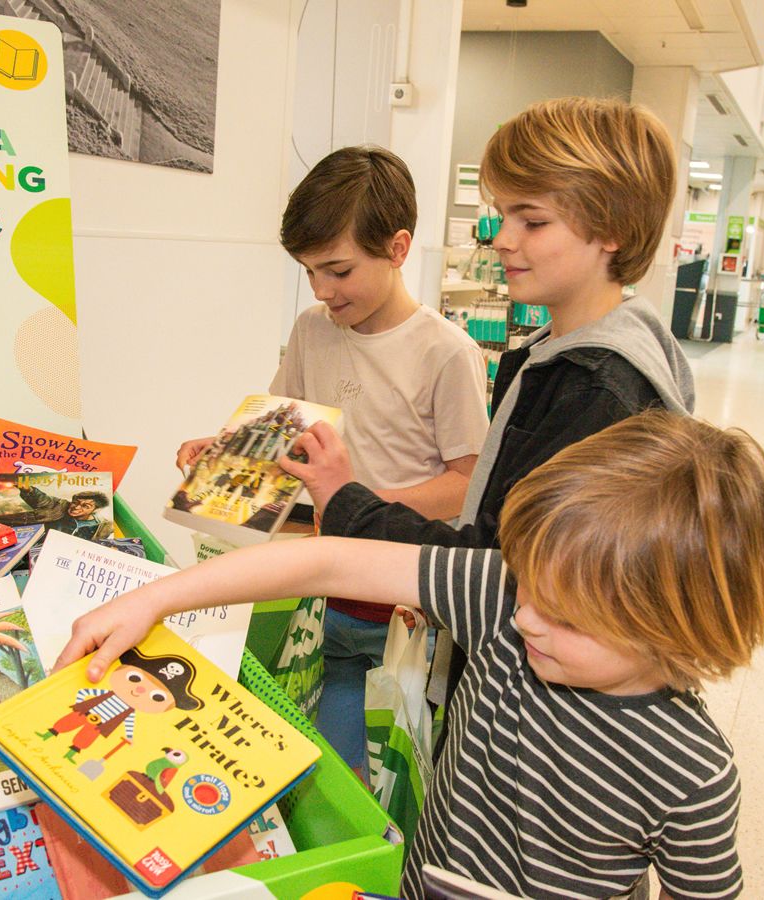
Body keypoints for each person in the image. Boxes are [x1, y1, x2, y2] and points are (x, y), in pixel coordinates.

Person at [57, 411, 764, 900]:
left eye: (562, 616)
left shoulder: (692, 772)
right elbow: (330, 564)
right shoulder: (505, 596)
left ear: (675, 629)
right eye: (525, 582)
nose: (526, 615)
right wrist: (155, 599)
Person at [279, 98, 694, 720]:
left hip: (538, 708)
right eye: (502, 216)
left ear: (612, 227)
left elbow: (496, 568)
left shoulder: (598, 389)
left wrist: (346, 500)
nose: (502, 240)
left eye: (532, 221)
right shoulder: (557, 356)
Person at [175, 146, 489, 773]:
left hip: (401, 606)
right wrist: (225, 452)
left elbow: (466, 484)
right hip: (315, 594)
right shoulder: (313, 330)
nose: (322, 290)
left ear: (398, 249)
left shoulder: (445, 352)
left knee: (386, 772)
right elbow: (283, 430)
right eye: (309, 271)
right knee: (311, 754)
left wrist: (351, 501)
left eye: (339, 271)